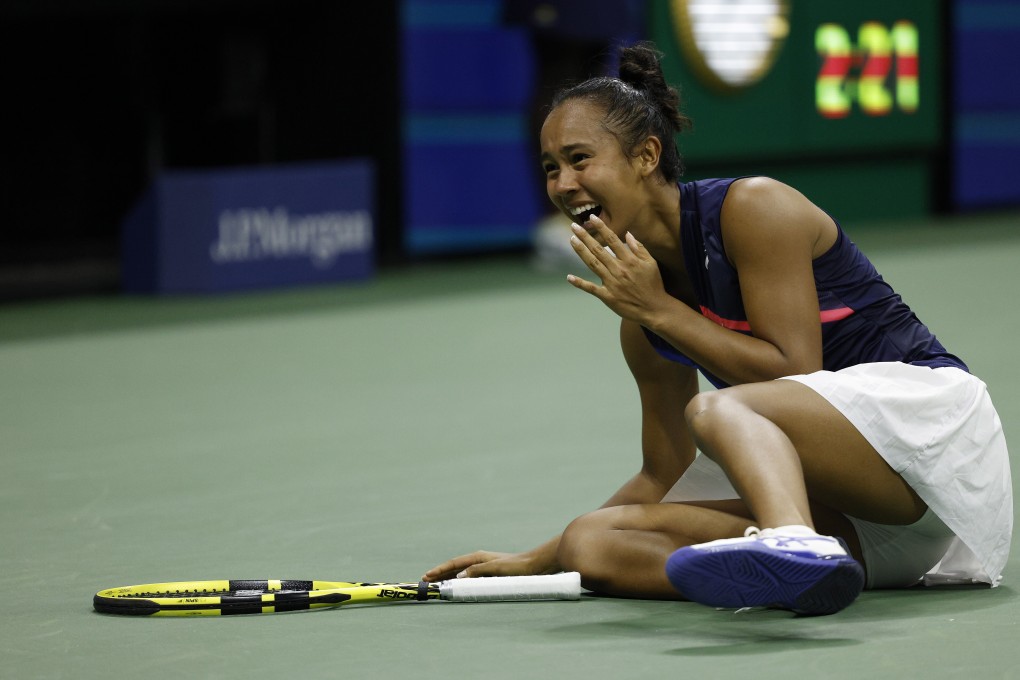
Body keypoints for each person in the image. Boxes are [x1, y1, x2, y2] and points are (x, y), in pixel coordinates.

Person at [422, 41, 1012, 615]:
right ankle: (800, 569)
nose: (562, 185)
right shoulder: (645, 318)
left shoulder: (752, 209)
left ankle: (792, 545)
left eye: (580, 159)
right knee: (592, 542)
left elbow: (796, 374)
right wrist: (534, 560)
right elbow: (666, 471)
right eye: (550, 168)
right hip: (855, 526)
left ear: (647, 156)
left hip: (931, 456)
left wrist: (660, 311)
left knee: (718, 411)